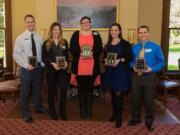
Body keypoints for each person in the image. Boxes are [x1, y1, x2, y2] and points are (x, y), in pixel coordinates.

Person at [128, 25, 165, 131]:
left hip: (149, 76)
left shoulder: (155, 47)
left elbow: (162, 62)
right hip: (136, 76)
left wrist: (152, 69)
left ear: (149, 34)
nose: (142, 34)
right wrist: (133, 66)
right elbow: (130, 61)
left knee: (149, 100)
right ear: (138, 34)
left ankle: (149, 122)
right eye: (140, 32)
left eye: (144, 32)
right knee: (135, 99)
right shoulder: (134, 48)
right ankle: (136, 118)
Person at [13, 14, 48, 123]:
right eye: (28, 22)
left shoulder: (38, 37)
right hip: (26, 69)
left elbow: (42, 52)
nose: (30, 23)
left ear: (34, 22)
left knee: (38, 89)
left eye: (32, 21)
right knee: (25, 92)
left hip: (38, 68)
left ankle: (38, 107)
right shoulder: (20, 38)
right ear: (25, 23)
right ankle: (25, 113)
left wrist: (42, 64)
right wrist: (25, 65)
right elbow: (16, 54)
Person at [70, 16, 103, 119]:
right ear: (80, 24)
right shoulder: (76, 34)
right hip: (79, 66)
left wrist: (92, 52)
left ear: (90, 23)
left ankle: (88, 109)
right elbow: (72, 48)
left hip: (92, 66)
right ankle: (82, 109)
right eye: (83, 22)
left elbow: (100, 48)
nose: (85, 24)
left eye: (87, 22)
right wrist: (80, 53)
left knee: (89, 89)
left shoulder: (96, 34)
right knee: (81, 89)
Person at [104, 23, 132, 128]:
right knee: (113, 94)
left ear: (119, 31)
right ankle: (114, 114)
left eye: (116, 30)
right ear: (110, 32)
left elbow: (129, 57)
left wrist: (119, 60)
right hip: (110, 71)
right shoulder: (107, 44)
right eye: (112, 30)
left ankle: (119, 118)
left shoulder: (125, 44)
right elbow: (105, 57)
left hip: (121, 72)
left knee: (119, 95)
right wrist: (106, 60)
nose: (114, 32)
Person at [42, 22, 69, 121]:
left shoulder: (64, 42)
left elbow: (67, 56)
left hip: (62, 71)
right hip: (51, 70)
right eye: (54, 29)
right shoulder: (46, 43)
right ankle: (52, 111)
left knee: (63, 90)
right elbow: (44, 57)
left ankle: (62, 112)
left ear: (60, 31)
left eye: (58, 29)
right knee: (51, 91)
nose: (56, 31)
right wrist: (52, 64)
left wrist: (66, 62)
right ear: (51, 31)